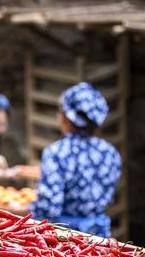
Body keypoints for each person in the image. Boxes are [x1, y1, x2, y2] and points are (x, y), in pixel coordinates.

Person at [30, 82, 122, 238]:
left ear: (65, 117)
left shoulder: (57, 152)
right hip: (99, 235)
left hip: (66, 237)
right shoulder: (110, 152)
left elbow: (48, 208)